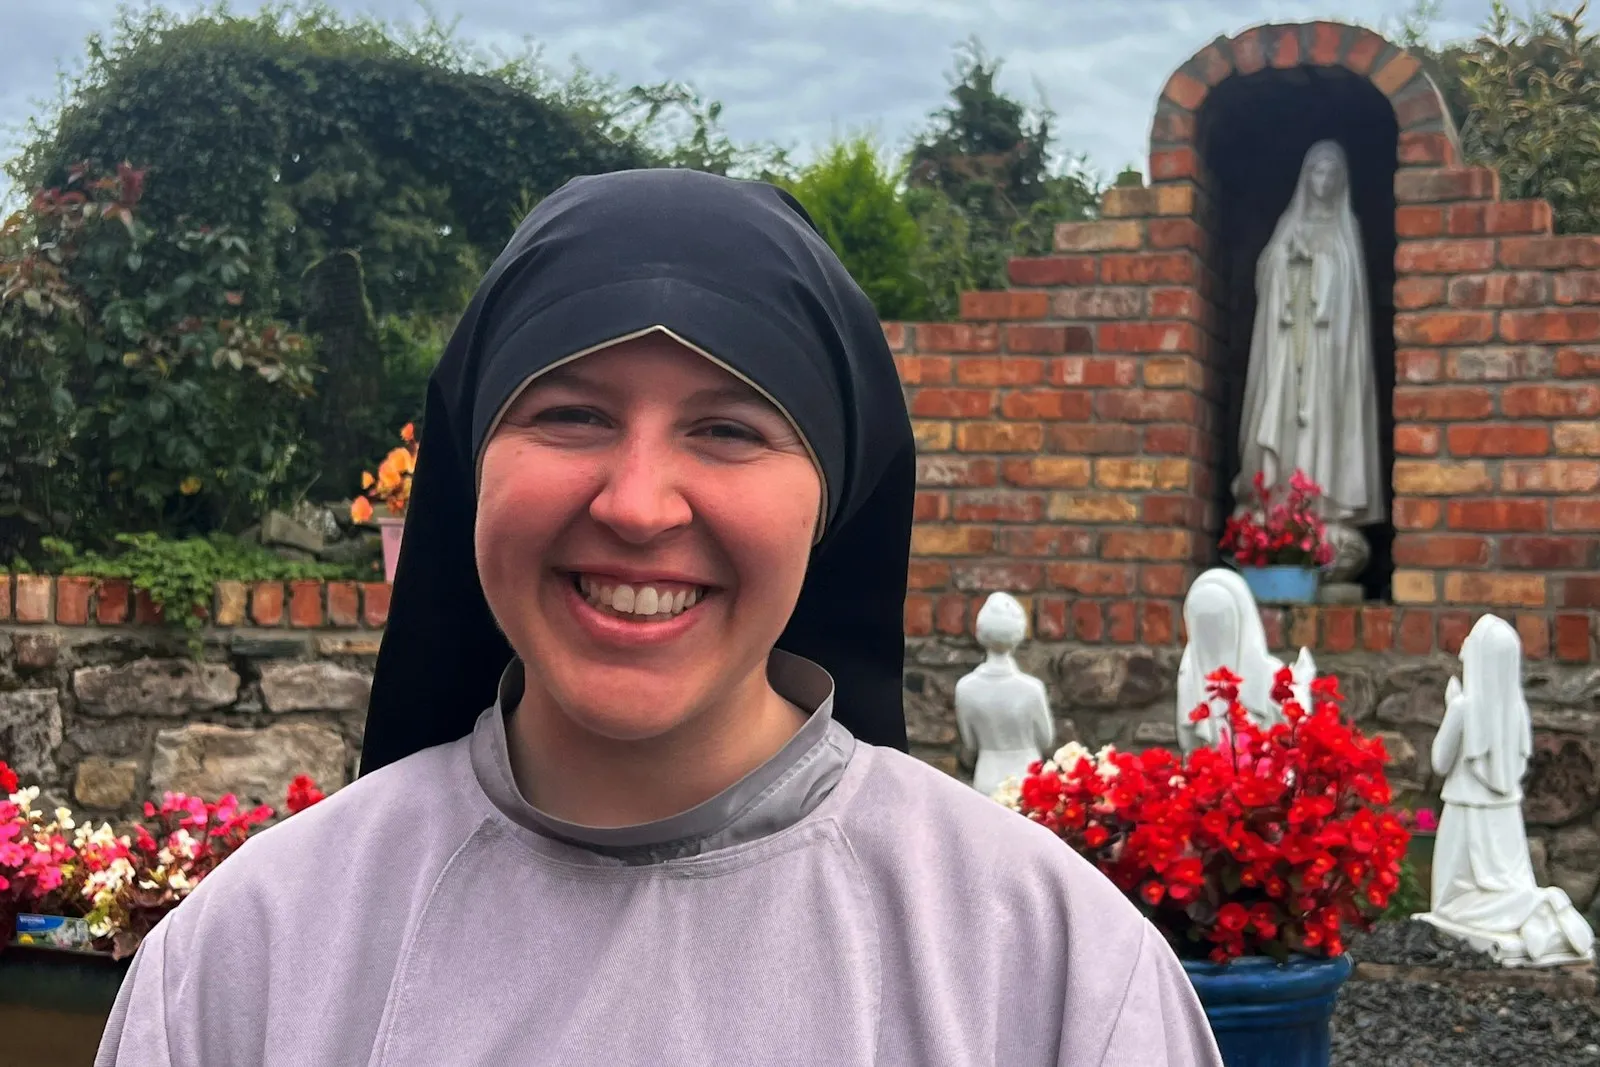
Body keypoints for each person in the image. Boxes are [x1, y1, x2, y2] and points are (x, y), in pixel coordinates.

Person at [95, 168, 1222, 1066]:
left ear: (829, 497)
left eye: (729, 428)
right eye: (572, 412)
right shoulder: (253, 954)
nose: (636, 503)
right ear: (470, 465)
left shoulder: (1052, 968)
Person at [1234, 139, 1385, 526]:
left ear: (1341, 180)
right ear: (1306, 177)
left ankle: (1323, 506)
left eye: (1332, 173)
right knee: (1281, 411)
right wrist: (1286, 261)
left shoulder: (1346, 228)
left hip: (1328, 347)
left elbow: (1352, 292)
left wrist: (1321, 265)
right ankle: (1279, 499)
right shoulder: (1290, 225)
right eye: (1317, 171)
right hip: (1287, 339)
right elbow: (1266, 272)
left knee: (1323, 417)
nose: (1324, 181)